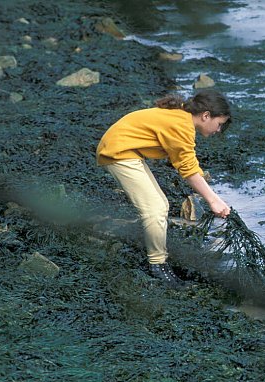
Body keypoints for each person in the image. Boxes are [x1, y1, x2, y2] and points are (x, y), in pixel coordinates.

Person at [96, 89, 232, 287]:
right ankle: (157, 265)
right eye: (219, 124)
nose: (218, 130)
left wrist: (209, 192)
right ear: (206, 116)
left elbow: (188, 163)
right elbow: (187, 169)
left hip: (126, 150)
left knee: (161, 204)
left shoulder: (181, 117)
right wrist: (213, 200)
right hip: (118, 152)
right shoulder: (182, 125)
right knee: (155, 209)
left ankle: (159, 259)